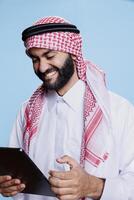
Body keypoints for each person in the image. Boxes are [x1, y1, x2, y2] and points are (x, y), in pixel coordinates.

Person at [0, 16, 134, 200]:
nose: (42, 67)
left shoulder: (118, 111)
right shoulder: (27, 112)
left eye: (50, 56)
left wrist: (93, 186)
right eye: (35, 59)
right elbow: (16, 175)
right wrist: (8, 185)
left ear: (72, 52)